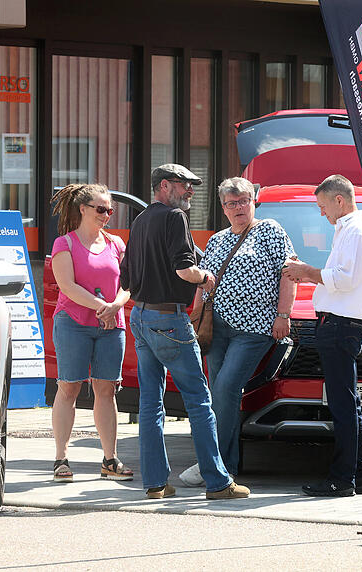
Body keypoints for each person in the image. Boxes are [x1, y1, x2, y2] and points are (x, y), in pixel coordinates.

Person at [119, 163, 251, 500]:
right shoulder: (174, 217)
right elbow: (183, 269)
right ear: (165, 185)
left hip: (141, 316)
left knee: (150, 403)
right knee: (199, 401)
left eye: (193, 185)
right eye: (185, 184)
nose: (191, 190)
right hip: (169, 320)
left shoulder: (140, 219)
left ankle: (156, 483)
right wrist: (205, 277)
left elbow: (126, 278)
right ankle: (219, 483)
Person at [179, 177, 297, 486]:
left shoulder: (270, 230)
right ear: (223, 208)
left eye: (243, 201)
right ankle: (224, 466)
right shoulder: (217, 240)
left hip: (254, 328)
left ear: (253, 201)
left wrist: (283, 314)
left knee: (226, 387)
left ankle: (213, 464)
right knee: (219, 394)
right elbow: (204, 282)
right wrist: (196, 317)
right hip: (217, 328)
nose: (238, 207)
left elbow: (289, 274)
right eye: (231, 203)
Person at [282, 174, 362, 497]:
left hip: (340, 325)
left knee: (342, 405)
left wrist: (304, 272)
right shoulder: (350, 230)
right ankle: (360, 474)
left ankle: (342, 478)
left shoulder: (354, 231)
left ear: (340, 200)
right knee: (347, 404)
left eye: (323, 206)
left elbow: (343, 279)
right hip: (339, 324)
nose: (321, 214)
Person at [49, 183, 134, 483]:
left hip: (111, 326)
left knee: (107, 389)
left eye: (109, 210)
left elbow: (128, 285)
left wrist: (116, 306)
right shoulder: (65, 244)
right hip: (74, 323)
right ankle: (61, 458)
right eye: (100, 209)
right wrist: (104, 307)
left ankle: (110, 460)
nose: (106, 215)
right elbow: (67, 287)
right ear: (83, 209)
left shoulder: (116, 245)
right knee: (69, 387)